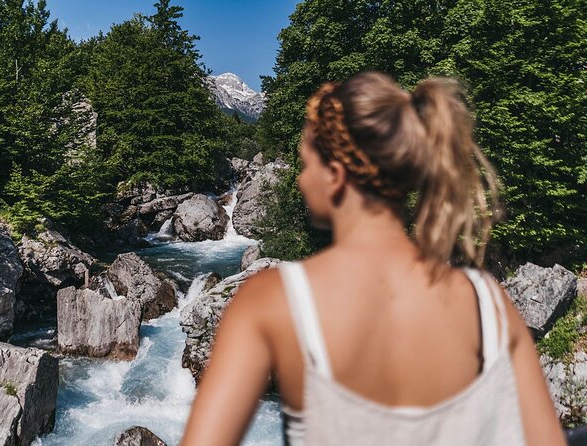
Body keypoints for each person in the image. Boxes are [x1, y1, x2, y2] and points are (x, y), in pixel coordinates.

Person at [180, 72, 566, 445]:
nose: (300, 179)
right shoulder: (490, 304)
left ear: (335, 175)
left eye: (306, 162)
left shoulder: (272, 300)